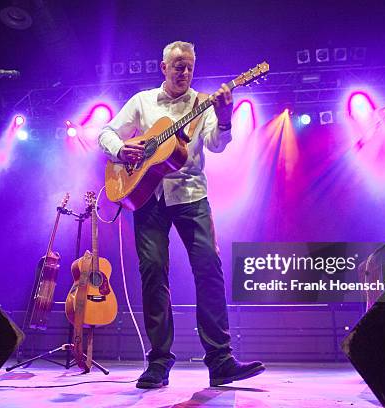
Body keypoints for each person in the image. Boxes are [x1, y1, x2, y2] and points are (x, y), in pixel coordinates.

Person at [99, 41, 265, 388]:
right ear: (163, 67)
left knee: (209, 267)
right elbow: (106, 132)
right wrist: (120, 147)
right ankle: (158, 362)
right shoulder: (142, 101)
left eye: (189, 66)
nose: (184, 72)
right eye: (177, 66)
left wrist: (223, 116)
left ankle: (220, 360)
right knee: (153, 272)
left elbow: (218, 146)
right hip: (147, 195)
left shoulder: (201, 104)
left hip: (190, 195)